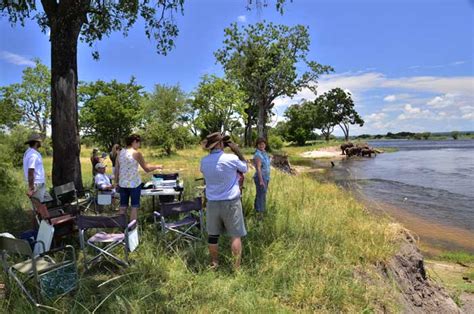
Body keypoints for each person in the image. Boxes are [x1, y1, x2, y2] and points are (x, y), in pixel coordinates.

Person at [200, 132, 248, 269]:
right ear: (221, 144)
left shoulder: (204, 161)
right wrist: (236, 150)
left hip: (212, 202)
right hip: (231, 202)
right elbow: (245, 168)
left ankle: (214, 263)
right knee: (235, 235)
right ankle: (236, 267)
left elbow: (204, 172)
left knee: (213, 235)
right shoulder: (231, 158)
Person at [115, 134, 163, 222]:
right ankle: (132, 230)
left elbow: (117, 169)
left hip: (122, 183)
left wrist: (116, 182)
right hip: (134, 184)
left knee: (122, 207)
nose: (139, 145)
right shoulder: (136, 153)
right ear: (134, 142)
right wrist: (157, 166)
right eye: (138, 143)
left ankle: (121, 227)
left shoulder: (120, 153)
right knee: (134, 207)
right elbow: (147, 169)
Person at [23, 133, 49, 202]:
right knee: (40, 206)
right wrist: (31, 188)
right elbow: (30, 171)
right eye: (40, 141)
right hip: (37, 184)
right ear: (36, 143)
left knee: (47, 203)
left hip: (40, 183)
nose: (41, 142)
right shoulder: (33, 155)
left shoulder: (30, 152)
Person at [253, 137, 271, 219]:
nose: (262, 145)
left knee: (261, 194)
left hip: (266, 177)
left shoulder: (264, 153)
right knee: (261, 196)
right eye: (260, 144)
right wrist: (261, 180)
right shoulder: (257, 155)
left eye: (263, 144)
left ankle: (257, 211)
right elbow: (258, 168)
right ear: (257, 145)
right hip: (261, 178)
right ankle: (260, 215)